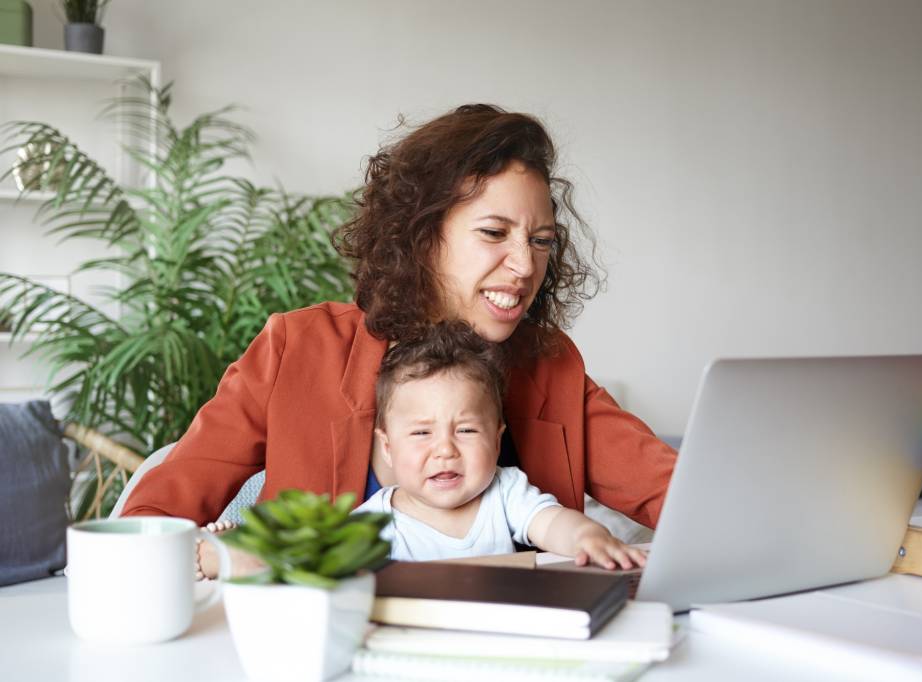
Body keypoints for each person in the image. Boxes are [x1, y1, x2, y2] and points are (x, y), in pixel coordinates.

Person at [120, 104, 676, 577]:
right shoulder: (298, 346)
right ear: (422, 234)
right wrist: (210, 558)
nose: (525, 263)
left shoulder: (548, 364)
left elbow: (675, 492)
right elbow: (149, 519)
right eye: (493, 232)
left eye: (541, 240)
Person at [357, 321, 647, 569]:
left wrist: (587, 536)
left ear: (496, 440)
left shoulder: (505, 491)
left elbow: (551, 523)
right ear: (387, 448)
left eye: (466, 430)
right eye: (422, 433)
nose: (445, 450)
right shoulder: (371, 525)